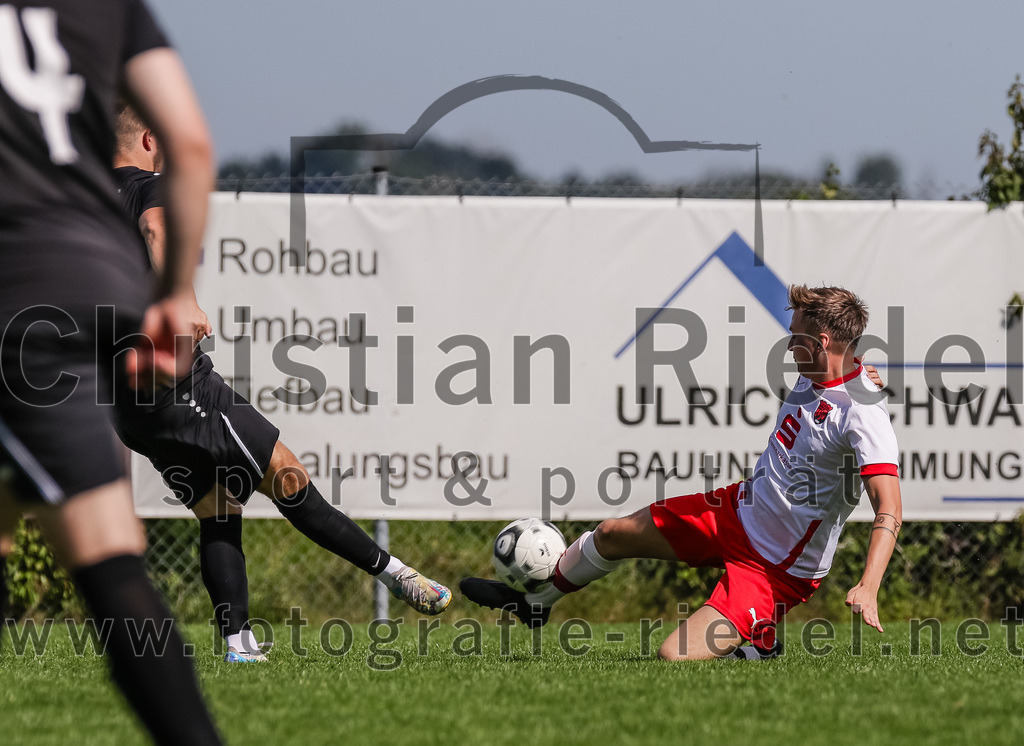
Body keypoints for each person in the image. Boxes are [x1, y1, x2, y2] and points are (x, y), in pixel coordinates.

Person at [111, 103, 452, 663]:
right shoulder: (150, 187)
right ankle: (393, 572)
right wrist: (181, 297)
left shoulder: (85, 202)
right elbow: (157, 227)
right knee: (289, 476)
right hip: (178, 386)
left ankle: (238, 643)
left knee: (219, 507)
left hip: (128, 404)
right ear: (149, 138)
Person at [462, 285, 902, 661]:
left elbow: (889, 508)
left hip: (775, 567)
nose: (788, 347)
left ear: (821, 342)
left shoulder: (862, 413)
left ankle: (760, 646)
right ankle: (536, 603)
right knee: (612, 534)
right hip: (735, 510)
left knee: (673, 656)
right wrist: (862, 374)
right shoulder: (824, 369)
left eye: (795, 338)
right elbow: (848, 370)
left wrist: (868, 585)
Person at [0, 0, 222, 743]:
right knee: (103, 553)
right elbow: (192, 145)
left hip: (14, 289)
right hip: (91, 281)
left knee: (100, 555)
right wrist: (172, 293)